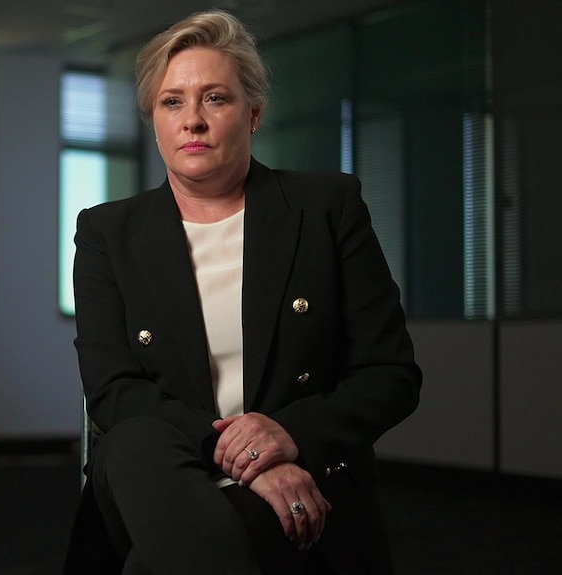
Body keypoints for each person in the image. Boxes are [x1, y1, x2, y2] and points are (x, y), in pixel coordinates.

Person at [64, 8, 421, 575]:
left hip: (302, 475)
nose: (193, 121)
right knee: (135, 442)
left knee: (165, 557)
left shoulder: (326, 209)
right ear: (153, 120)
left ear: (254, 114)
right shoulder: (109, 232)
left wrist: (287, 436)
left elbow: (391, 376)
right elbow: (112, 390)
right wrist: (248, 456)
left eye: (216, 98)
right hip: (162, 471)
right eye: (172, 102)